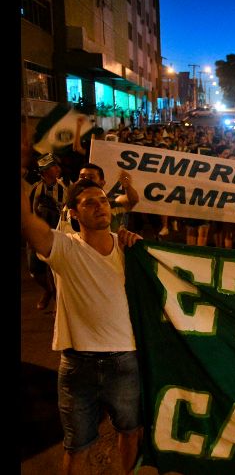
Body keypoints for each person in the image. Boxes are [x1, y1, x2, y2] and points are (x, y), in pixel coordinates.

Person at [21, 176, 144, 475]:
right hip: (78, 367)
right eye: (90, 203)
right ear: (73, 213)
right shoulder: (64, 248)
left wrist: (135, 243)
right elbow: (27, 223)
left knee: (131, 433)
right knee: (77, 447)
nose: (100, 206)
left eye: (103, 201)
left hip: (125, 362)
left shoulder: (130, 248)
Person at [27, 153, 67, 310]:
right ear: (44, 171)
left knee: (56, 269)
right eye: (54, 166)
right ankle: (48, 290)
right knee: (35, 270)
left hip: (57, 234)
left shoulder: (64, 188)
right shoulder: (35, 188)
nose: (58, 169)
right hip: (37, 233)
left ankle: (59, 299)